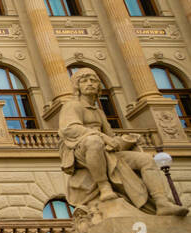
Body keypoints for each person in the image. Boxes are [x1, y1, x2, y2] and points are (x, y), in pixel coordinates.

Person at [59, 69, 187, 216]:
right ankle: (104, 186)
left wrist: (125, 140)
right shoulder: (72, 106)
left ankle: (161, 202)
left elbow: (110, 138)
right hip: (79, 150)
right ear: (77, 86)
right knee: (94, 142)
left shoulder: (98, 112)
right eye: (84, 81)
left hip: (102, 150)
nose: (90, 84)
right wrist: (102, 137)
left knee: (145, 160)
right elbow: (70, 129)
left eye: (93, 80)